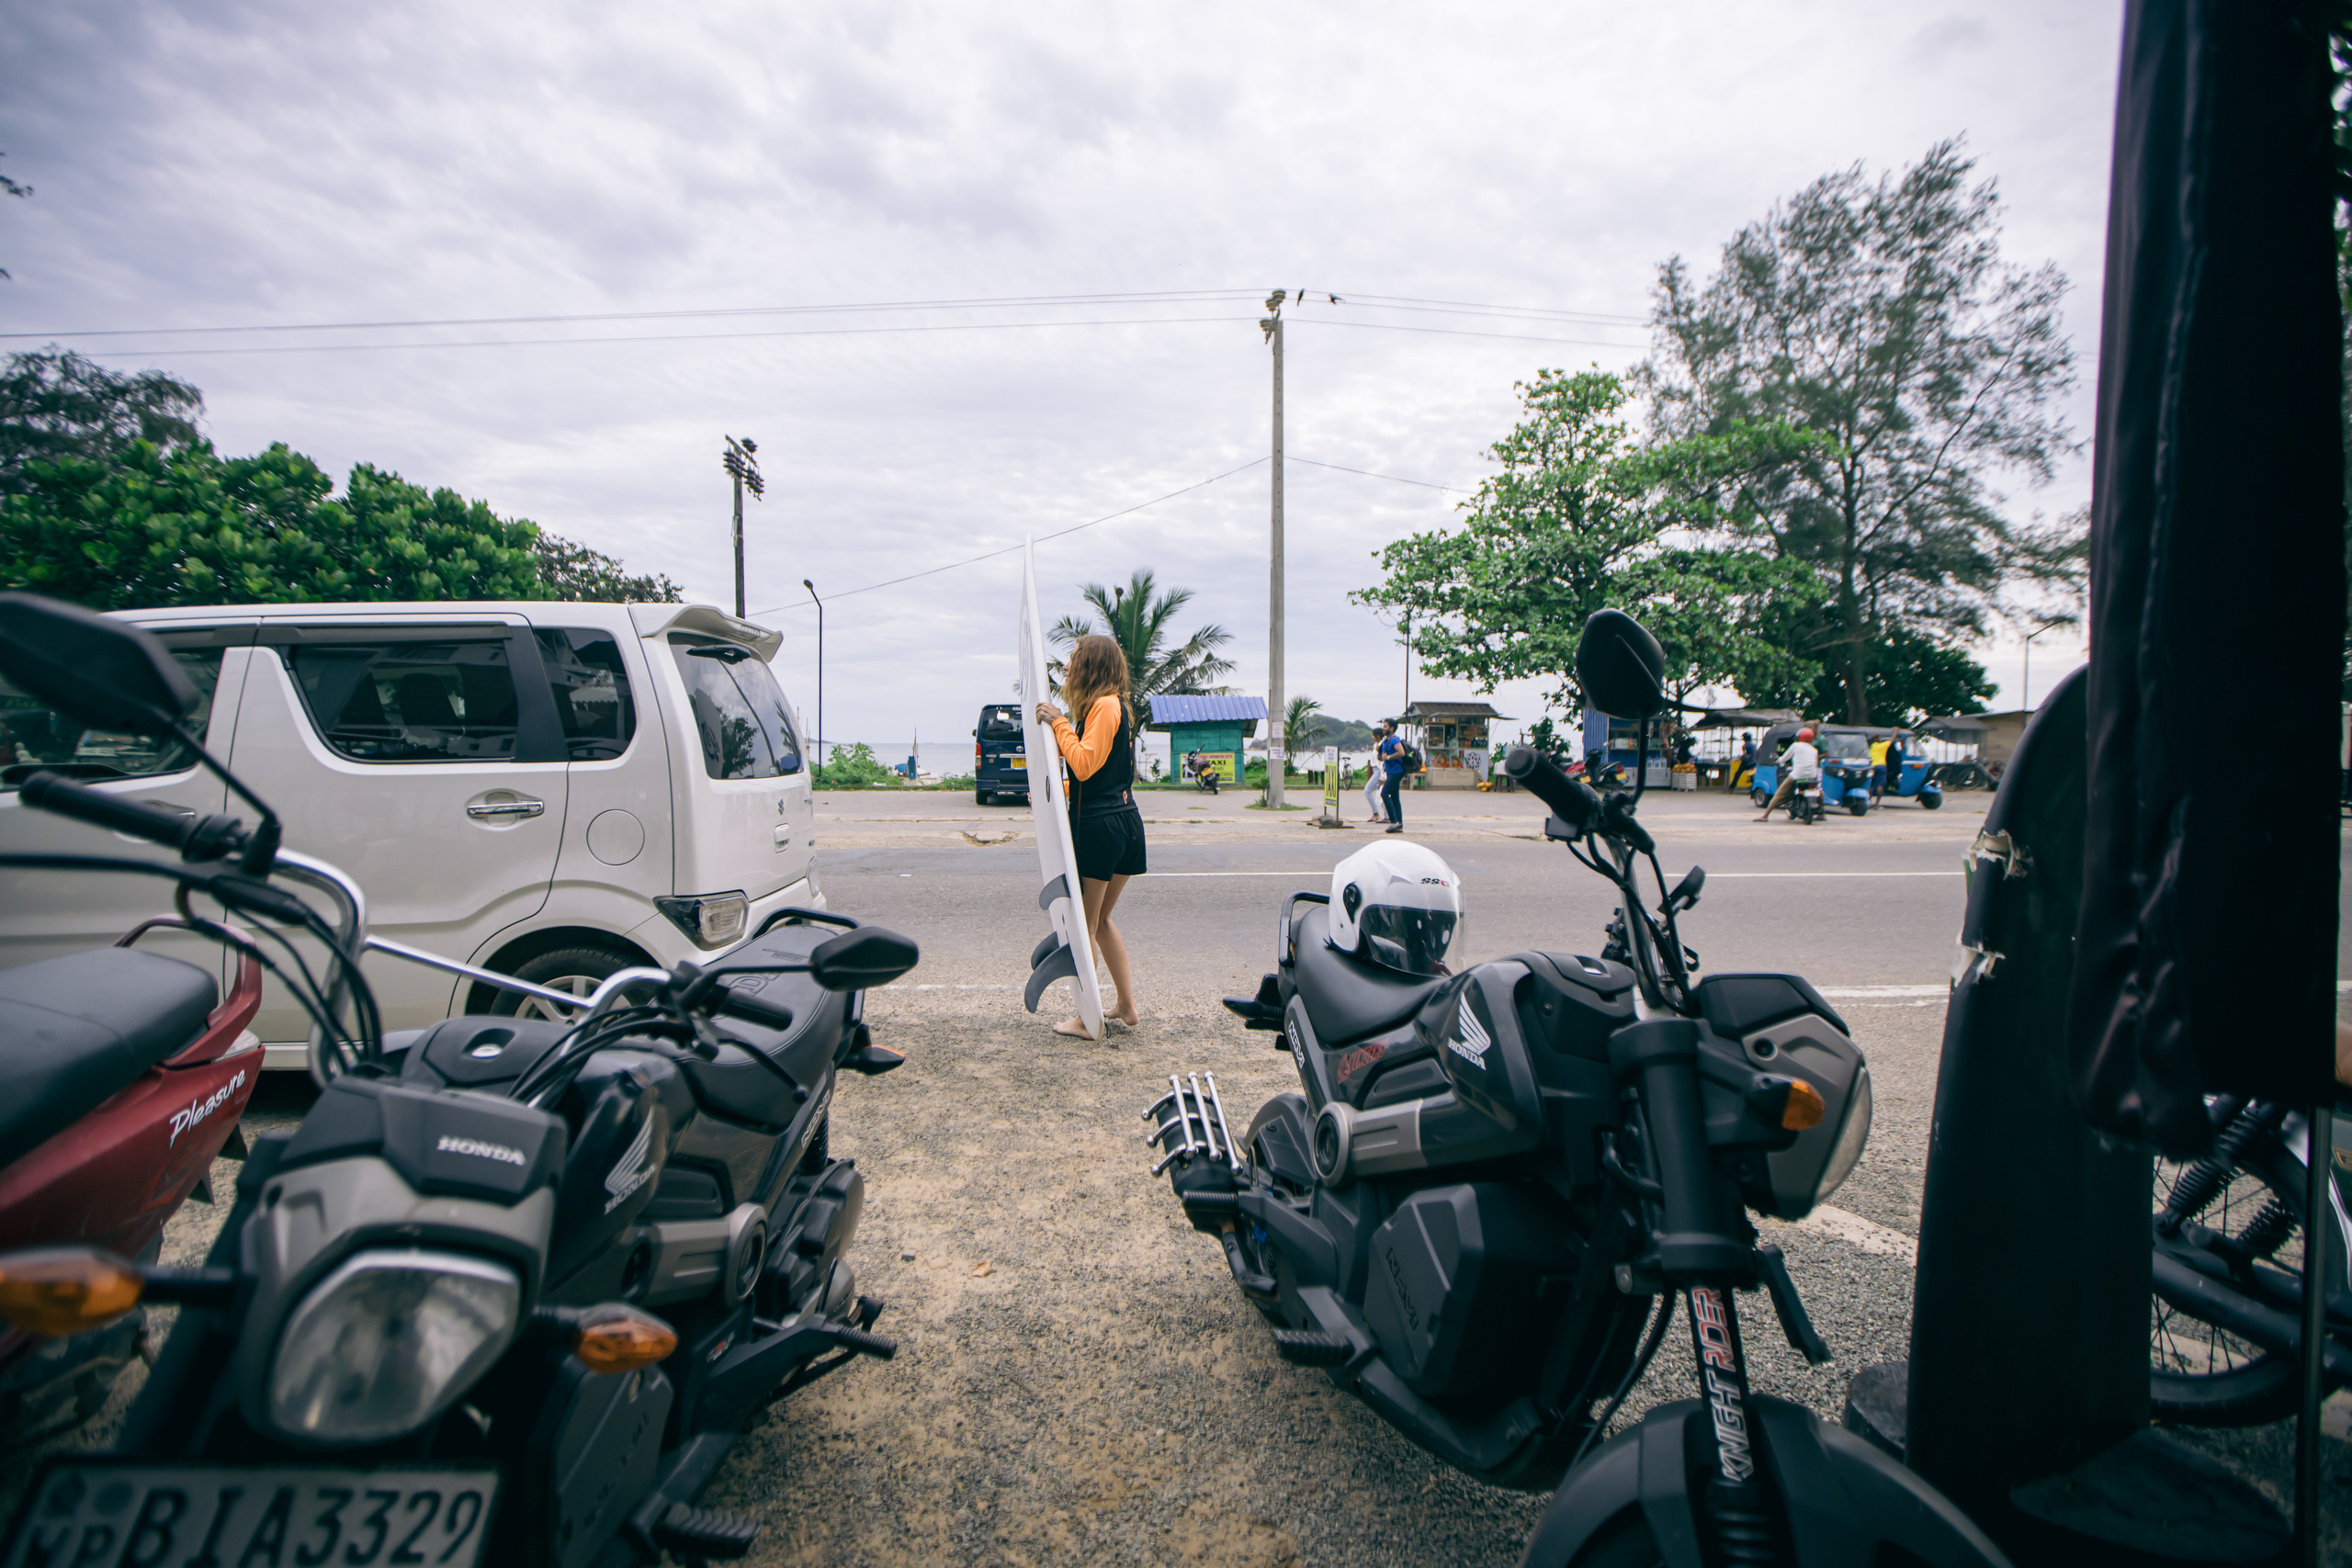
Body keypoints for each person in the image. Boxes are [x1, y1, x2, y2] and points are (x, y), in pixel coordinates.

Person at [1035, 635, 1147, 1038]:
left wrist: (1058, 722)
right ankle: (1126, 1006)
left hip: (1103, 829)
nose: (1067, 667)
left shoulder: (1104, 706)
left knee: (1084, 927)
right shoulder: (1114, 706)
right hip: (1123, 821)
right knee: (1100, 922)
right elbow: (1099, 777)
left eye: (1073, 659)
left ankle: (1087, 1017)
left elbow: (1082, 764)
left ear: (1091, 665)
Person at [1757, 727, 1820, 821]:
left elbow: (1784, 758)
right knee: (1818, 792)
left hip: (1797, 776)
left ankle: (1765, 816)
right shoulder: (1814, 750)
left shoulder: (1796, 745)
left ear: (1799, 737)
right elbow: (1815, 764)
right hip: (1811, 777)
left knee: (1779, 794)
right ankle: (1821, 812)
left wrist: (1778, 761)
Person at [1377, 720, 1407, 833]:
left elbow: (1401, 752)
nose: (1383, 728)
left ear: (1392, 728)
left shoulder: (1394, 740)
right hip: (1391, 772)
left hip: (1396, 771)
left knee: (1384, 793)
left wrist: (1388, 757)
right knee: (1395, 798)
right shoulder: (1387, 740)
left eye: (1385, 726)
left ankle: (1394, 822)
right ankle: (1399, 825)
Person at [1883, 731, 1908, 802]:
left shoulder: (1890, 748)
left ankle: (1890, 788)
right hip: (1894, 768)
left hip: (1892, 768)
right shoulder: (1893, 749)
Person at [1869, 732, 1892, 804]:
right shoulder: (1883, 745)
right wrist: (1896, 731)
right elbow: (1892, 740)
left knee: (1870, 785)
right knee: (1880, 785)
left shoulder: (1871, 747)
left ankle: (1869, 802)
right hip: (1881, 766)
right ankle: (1877, 804)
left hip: (1872, 766)